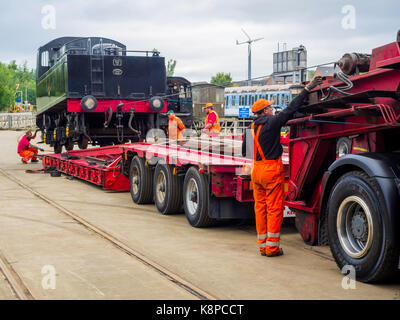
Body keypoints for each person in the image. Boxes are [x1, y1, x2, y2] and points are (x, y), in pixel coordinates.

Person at [242, 76, 323, 257]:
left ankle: (263, 246)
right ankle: (272, 248)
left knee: (260, 209)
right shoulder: (272, 122)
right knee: (274, 209)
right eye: (270, 107)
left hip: (257, 171)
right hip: (271, 171)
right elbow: (291, 109)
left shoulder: (250, 128)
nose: (272, 109)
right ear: (265, 111)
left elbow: (244, 151)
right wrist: (307, 89)